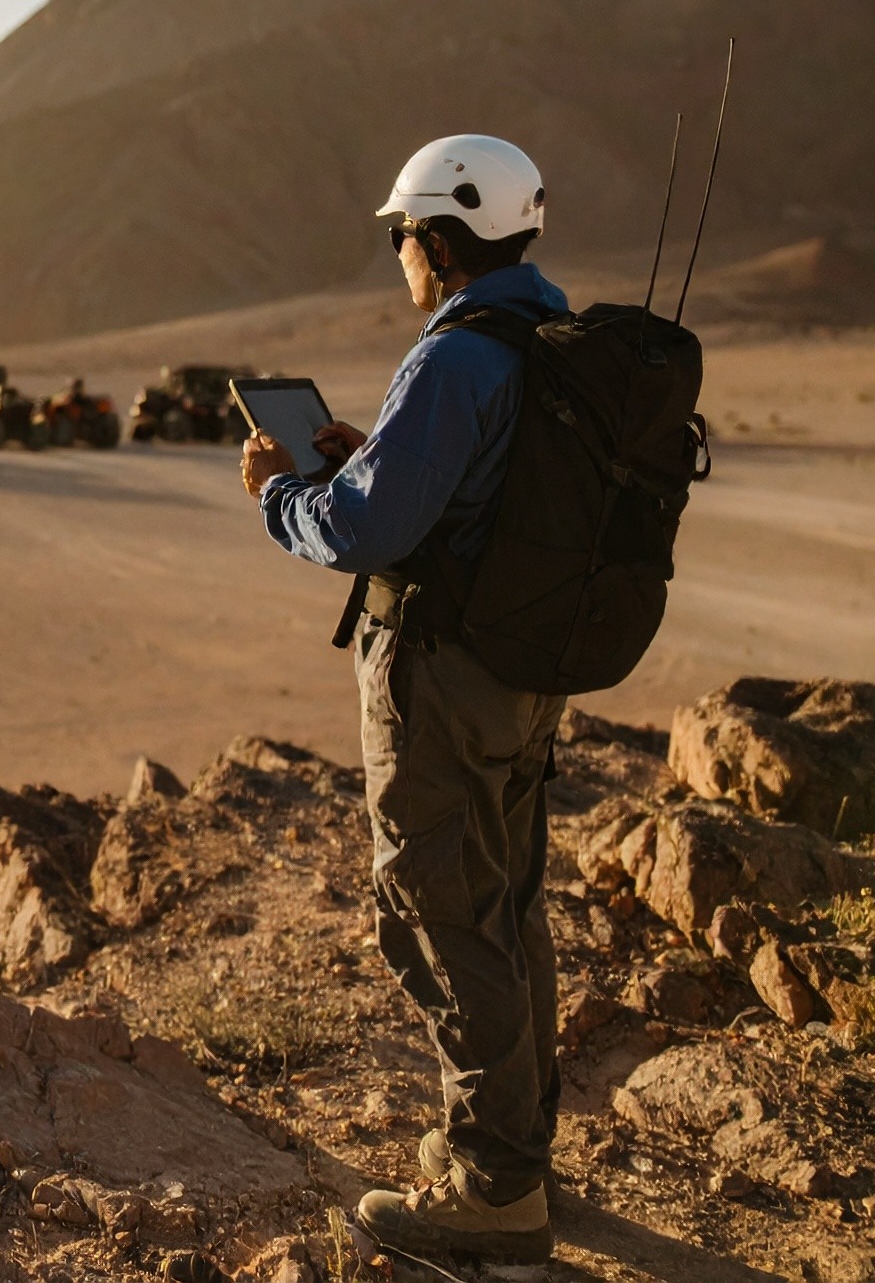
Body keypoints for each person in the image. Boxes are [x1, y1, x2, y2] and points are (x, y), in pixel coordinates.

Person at [237, 135, 566, 1267]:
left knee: (439, 906)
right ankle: (519, 1147)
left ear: (434, 238)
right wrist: (367, 454)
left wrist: (285, 491)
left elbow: (366, 532)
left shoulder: (454, 357)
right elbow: (474, 492)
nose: (399, 257)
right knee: (509, 900)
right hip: (529, 674)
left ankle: (495, 1193)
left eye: (401, 237)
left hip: (444, 675)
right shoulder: (548, 337)